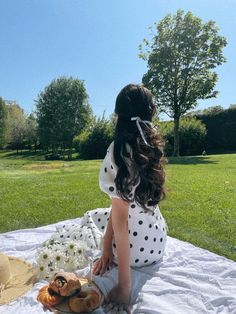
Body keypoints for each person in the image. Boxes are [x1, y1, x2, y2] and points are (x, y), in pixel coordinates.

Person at [92, 83, 168, 311]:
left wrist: (125, 285)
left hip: (134, 253)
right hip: (158, 242)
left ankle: (119, 267)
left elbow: (121, 221)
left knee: (94, 216)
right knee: (109, 213)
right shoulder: (151, 148)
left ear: (119, 115)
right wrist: (107, 242)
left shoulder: (118, 149)